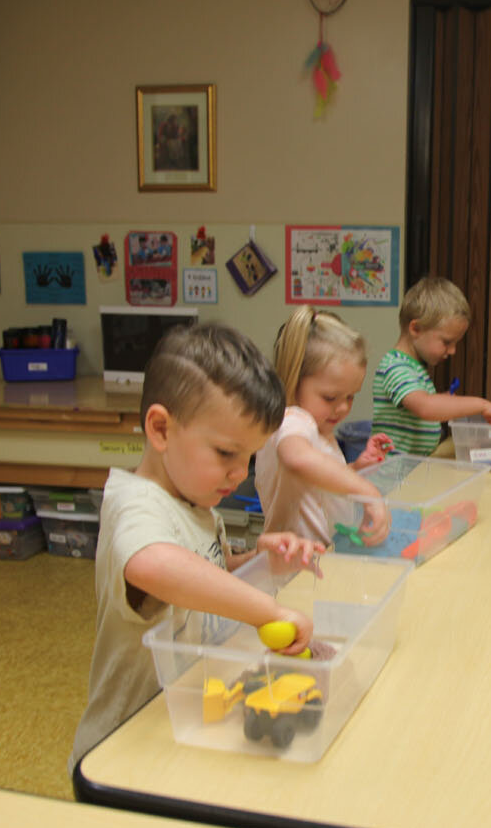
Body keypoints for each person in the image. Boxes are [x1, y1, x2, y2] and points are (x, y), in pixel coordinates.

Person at [69, 323, 325, 770]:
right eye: (226, 453)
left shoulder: (191, 499)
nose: (239, 473)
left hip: (181, 724)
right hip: (125, 747)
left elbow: (206, 570)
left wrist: (262, 562)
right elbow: (154, 566)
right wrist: (268, 612)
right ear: (161, 429)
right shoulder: (137, 504)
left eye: (248, 458)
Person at [256, 306, 393, 547]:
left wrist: (356, 468)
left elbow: (319, 489)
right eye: (330, 398)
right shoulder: (293, 420)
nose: (342, 408)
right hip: (295, 571)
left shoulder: (319, 429)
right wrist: (368, 493)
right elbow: (297, 459)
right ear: (294, 378)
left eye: (350, 397)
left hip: (323, 558)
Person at [372, 277, 491, 456]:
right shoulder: (395, 367)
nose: (452, 351)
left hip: (413, 469)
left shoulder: (413, 367)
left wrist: (442, 399)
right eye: (447, 342)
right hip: (393, 476)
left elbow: (421, 403)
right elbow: (425, 407)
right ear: (416, 328)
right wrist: (481, 405)